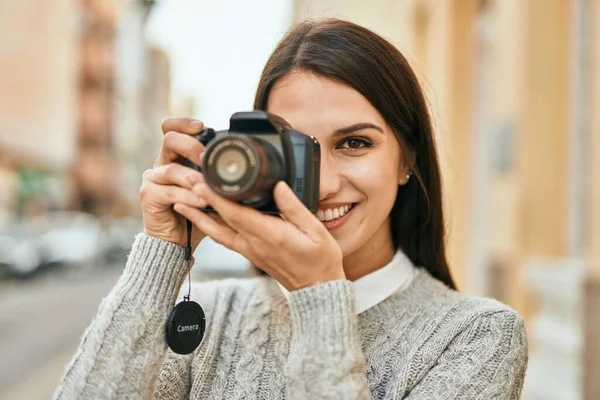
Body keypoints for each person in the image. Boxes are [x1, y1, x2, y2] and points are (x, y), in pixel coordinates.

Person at [54, 19, 527, 399]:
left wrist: (320, 297)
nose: (321, 185)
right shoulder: (210, 315)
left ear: (407, 158)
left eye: (355, 143)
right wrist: (161, 254)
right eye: (295, 149)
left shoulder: (477, 337)